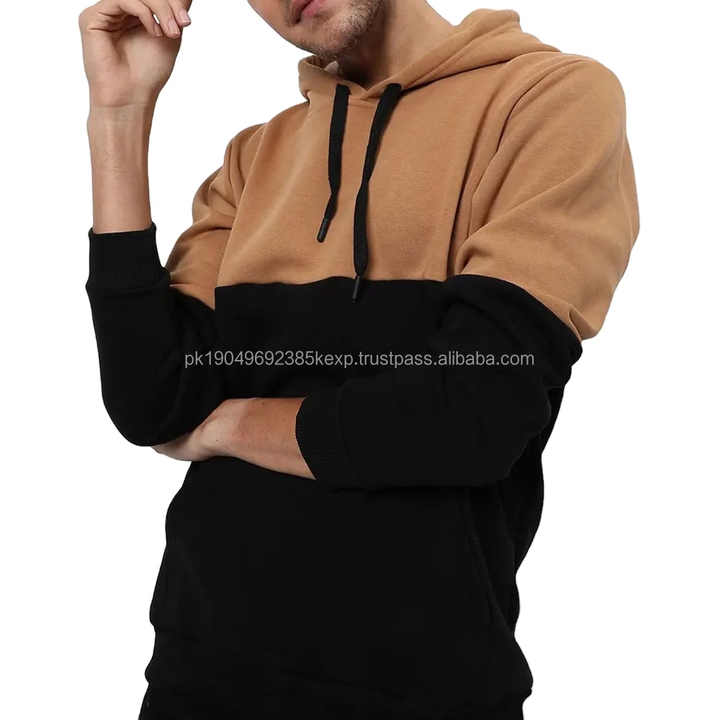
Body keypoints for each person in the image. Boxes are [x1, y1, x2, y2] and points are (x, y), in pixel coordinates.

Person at [79, 0, 639, 717]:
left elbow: (470, 414)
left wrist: (227, 426)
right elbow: (152, 399)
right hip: (195, 677)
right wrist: (120, 115)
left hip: (425, 689)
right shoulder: (254, 161)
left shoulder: (547, 100)